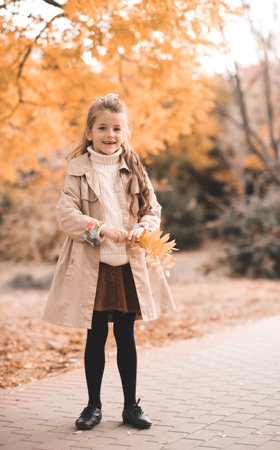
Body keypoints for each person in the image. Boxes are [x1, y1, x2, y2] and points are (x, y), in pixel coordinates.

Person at [42, 93, 176, 431]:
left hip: (128, 266)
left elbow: (152, 210)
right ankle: (93, 406)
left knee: (127, 336)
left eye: (117, 128)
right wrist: (100, 229)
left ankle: (131, 406)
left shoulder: (135, 169)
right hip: (95, 266)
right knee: (96, 335)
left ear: (125, 132)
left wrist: (143, 228)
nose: (110, 135)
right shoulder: (77, 171)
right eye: (102, 127)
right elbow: (66, 215)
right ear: (89, 132)